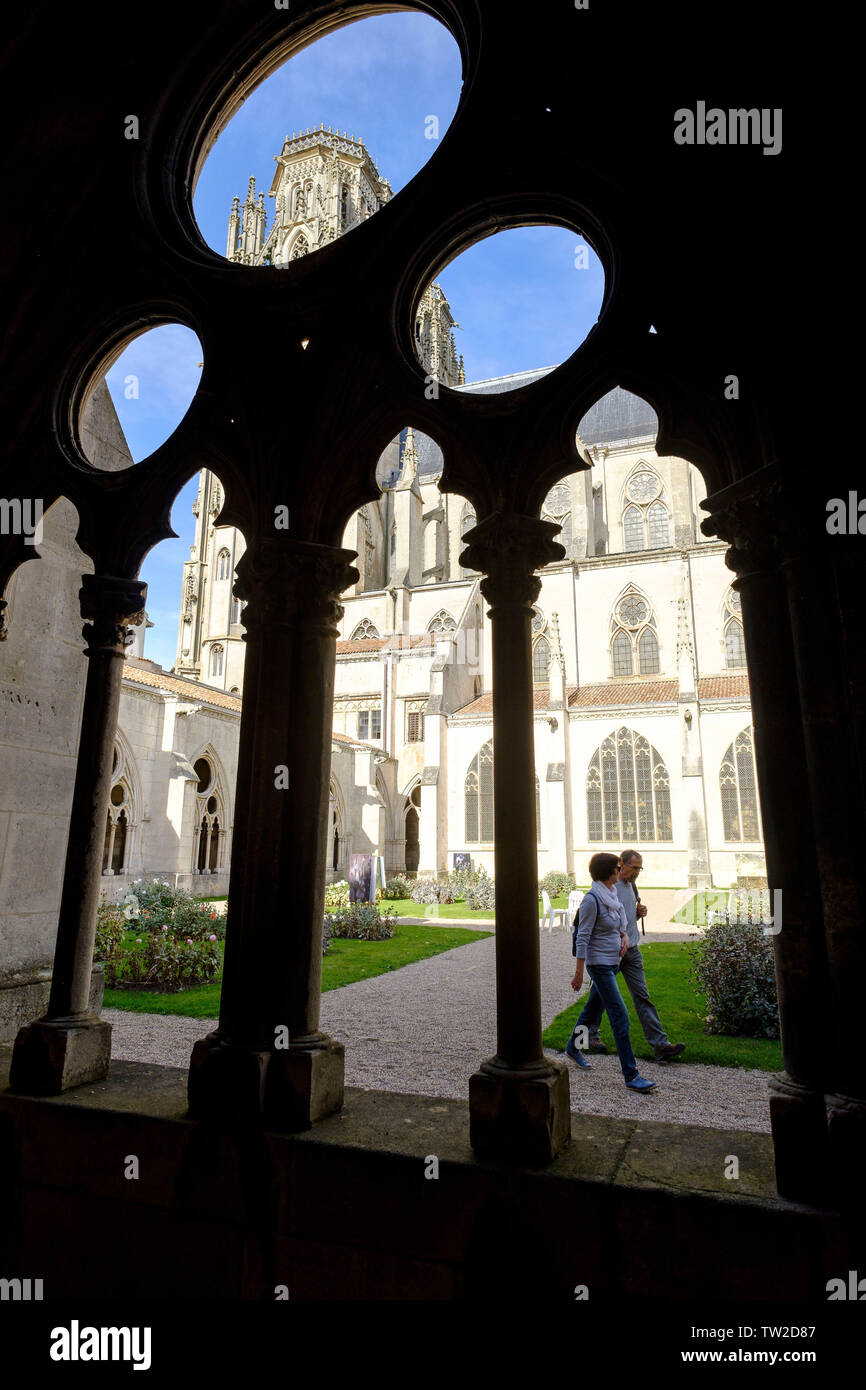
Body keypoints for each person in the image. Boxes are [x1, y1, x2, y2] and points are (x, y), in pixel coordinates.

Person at [582, 850, 685, 1063]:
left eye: (640, 868)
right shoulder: (607, 888)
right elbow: (600, 923)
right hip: (610, 954)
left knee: (642, 996)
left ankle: (660, 1045)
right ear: (621, 864)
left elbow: (623, 920)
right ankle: (585, 1039)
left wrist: (637, 915)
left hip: (632, 951)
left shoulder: (631, 886)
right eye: (634, 868)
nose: (637, 872)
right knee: (596, 999)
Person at [566, 852, 657, 1093]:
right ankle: (631, 1075)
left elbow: (619, 925)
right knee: (620, 1016)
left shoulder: (612, 893)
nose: (621, 870)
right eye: (618, 867)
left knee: (590, 1011)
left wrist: (624, 937)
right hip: (599, 965)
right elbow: (583, 937)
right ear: (610, 872)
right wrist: (579, 973)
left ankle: (574, 1047)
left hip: (614, 960)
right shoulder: (592, 900)